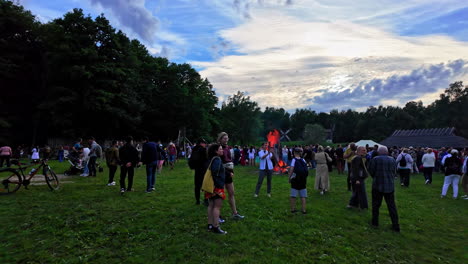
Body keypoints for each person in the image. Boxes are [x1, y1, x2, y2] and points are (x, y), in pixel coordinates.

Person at [368, 146, 400, 232]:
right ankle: (396, 225)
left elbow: (371, 171)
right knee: (391, 206)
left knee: (375, 205)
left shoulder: (375, 159)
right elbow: (394, 171)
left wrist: (376, 177)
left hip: (377, 185)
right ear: (387, 152)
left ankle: (375, 223)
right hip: (389, 185)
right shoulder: (392, 159)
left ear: (378, 152)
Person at [218, 132, 244, 220]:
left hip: (229, 172)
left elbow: (230, 160)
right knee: (220, 195)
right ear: (220, 139)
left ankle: (235, 213)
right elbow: (219, 163)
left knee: (231, 193)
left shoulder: (228, 148)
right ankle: (218, 215)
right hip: (221, 173)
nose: (226, 140)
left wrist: (231, 171)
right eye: (224, 138)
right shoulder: (218, 148)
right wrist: (228, 172)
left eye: (227, 138)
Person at [205, 144, 227, 234]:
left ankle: (210, 224)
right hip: (216, 187)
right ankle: (216, 226)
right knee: (217, 207)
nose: (222, 150)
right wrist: (219, 185)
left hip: (210, 187)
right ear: (216, 151)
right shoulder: (217, 160)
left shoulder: (212, 159)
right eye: (221, 149)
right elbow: (216, 173)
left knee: (211, 205)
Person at [288, 148, 309, 214]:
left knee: (293, 195)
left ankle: (293, 209)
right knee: (303, 195)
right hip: (303, 179)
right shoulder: (303, 160)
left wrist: (289, 177)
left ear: (294, 153)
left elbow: (291, 169)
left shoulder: (294, 160)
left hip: (295, 179)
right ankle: (303, 210)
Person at [191, 138, 208, 205]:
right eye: (204, 143)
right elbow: (206, 159)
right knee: (205, 185)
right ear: (201, 143)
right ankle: (206, 200)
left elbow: (192, 159)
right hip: (203, 169)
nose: (205, 144)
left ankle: (197, 200)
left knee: (197, 186)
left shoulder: (194, 149)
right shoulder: (203, 150)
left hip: (197, 170)